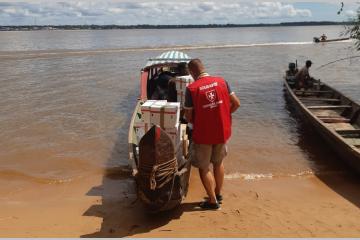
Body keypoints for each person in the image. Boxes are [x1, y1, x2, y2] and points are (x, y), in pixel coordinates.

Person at [184, 59, 240, 210]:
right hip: (221, 131)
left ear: (191, 72)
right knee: (218, 162)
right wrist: (225, 115)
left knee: (203, 167)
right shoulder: (222, 81)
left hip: (203, 134)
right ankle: (218, 193)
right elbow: (236, 103)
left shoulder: (191, 89)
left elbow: (188, 117)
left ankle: (213, 201)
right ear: (203, 68)